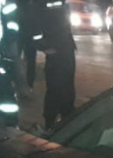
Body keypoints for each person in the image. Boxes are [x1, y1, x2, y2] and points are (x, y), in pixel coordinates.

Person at [32, 0, 76, 129]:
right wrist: (44, 46)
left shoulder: (61, 2)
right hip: (55, 51)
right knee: (55, 88)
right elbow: (33, 24)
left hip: (66, 49)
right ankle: (50, 123)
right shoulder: (41, 3)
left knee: (68, 87)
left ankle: (67, 117)